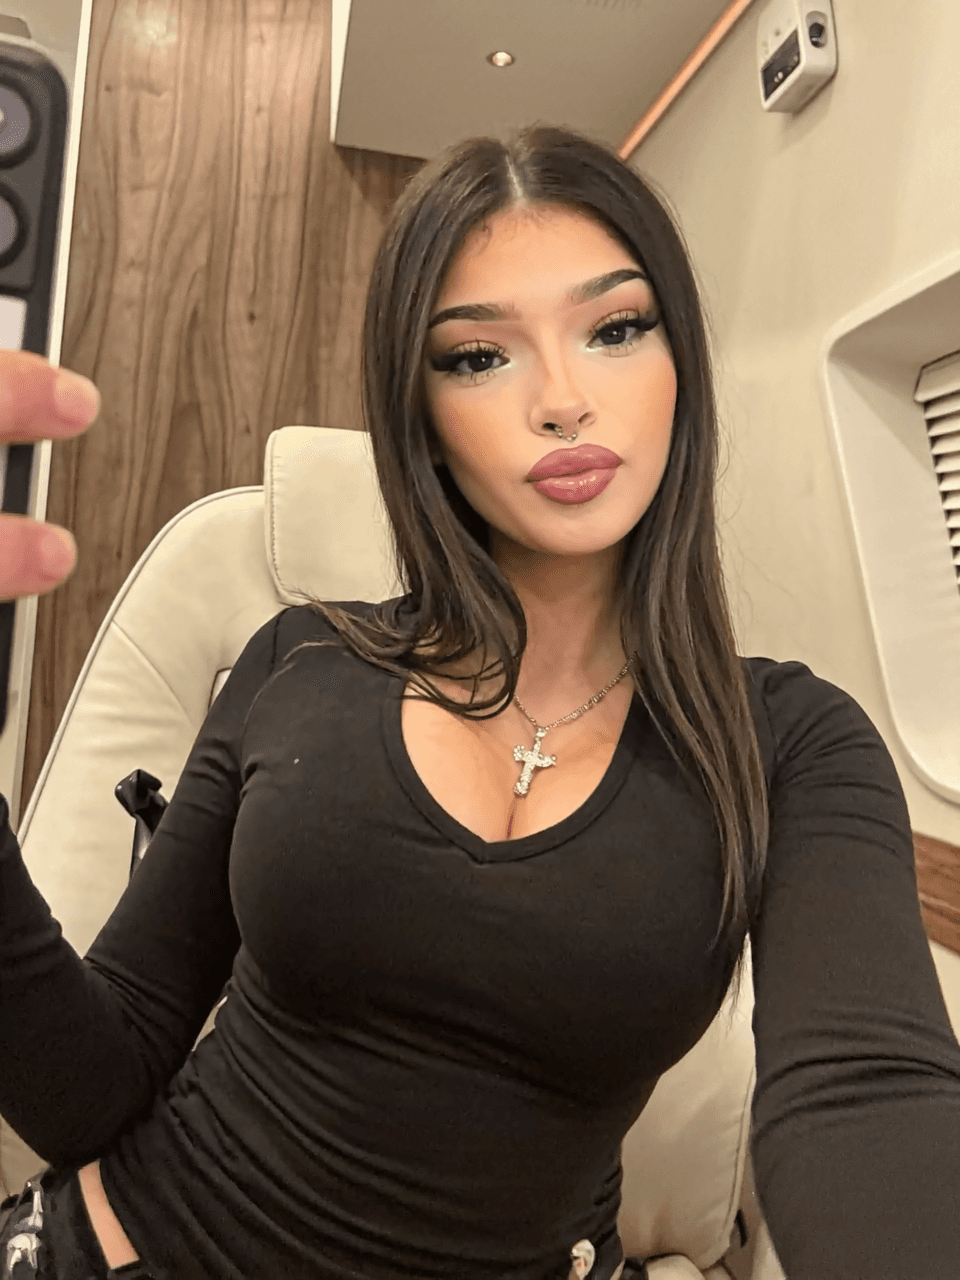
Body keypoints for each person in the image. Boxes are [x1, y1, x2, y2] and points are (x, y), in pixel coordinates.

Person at [1, 123, 960, 1280]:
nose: (562, 399)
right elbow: (93, 1079)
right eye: (476, 355)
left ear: (681, 366)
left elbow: (868, 1093)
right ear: (421, 416)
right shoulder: (298, 659)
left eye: (616, 328)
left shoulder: (794, 745)